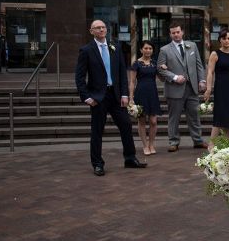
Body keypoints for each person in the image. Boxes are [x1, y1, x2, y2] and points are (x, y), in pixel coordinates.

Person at [75, 20, 147, 176]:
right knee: (97, 131)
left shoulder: (115, 47)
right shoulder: (86, 50)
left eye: (103, 27)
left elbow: (122, 72)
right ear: (91, 31)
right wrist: (87, 97)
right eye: (97, 28)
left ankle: (130, 158)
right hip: (98, 97)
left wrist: (124, 94)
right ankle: (97, 164)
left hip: (115, 95)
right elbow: (79, 77)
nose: (101, 30)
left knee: (126, 125)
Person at [157, 21, 207, 152]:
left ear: (182, 32)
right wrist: (174, 77)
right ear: (170, 34)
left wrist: (202, 80)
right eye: (173, 33)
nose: (176, 35)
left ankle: (198, 140)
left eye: (178, 32)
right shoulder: (164, 50)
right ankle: (173, 141)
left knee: (194, 115)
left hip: (192, 88)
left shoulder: (192, 46)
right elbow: (160, 69)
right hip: (175, 89)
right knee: (174, 117)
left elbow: (199, 65)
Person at [204, 28, 229, 147]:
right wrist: (208, 89)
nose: (227, 41)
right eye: (224, 38)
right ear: (220, 40)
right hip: (221, 87)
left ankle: (225, 145)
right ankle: (211, 145)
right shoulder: (215, 54)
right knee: (220, 116)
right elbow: (210, 72)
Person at [128, 40, 162, 155]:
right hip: (140, 93)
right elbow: (132, 82)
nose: (148, 50)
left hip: (152, 93)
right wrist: (131, 98)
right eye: (146, 48)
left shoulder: (154, 63)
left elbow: (161, 79)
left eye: (150, 48)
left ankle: (152, 144)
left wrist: (163, 69)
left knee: (153, 121)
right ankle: (145, 145)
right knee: (142, 121)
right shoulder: (136, 64)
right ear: (141, 50)